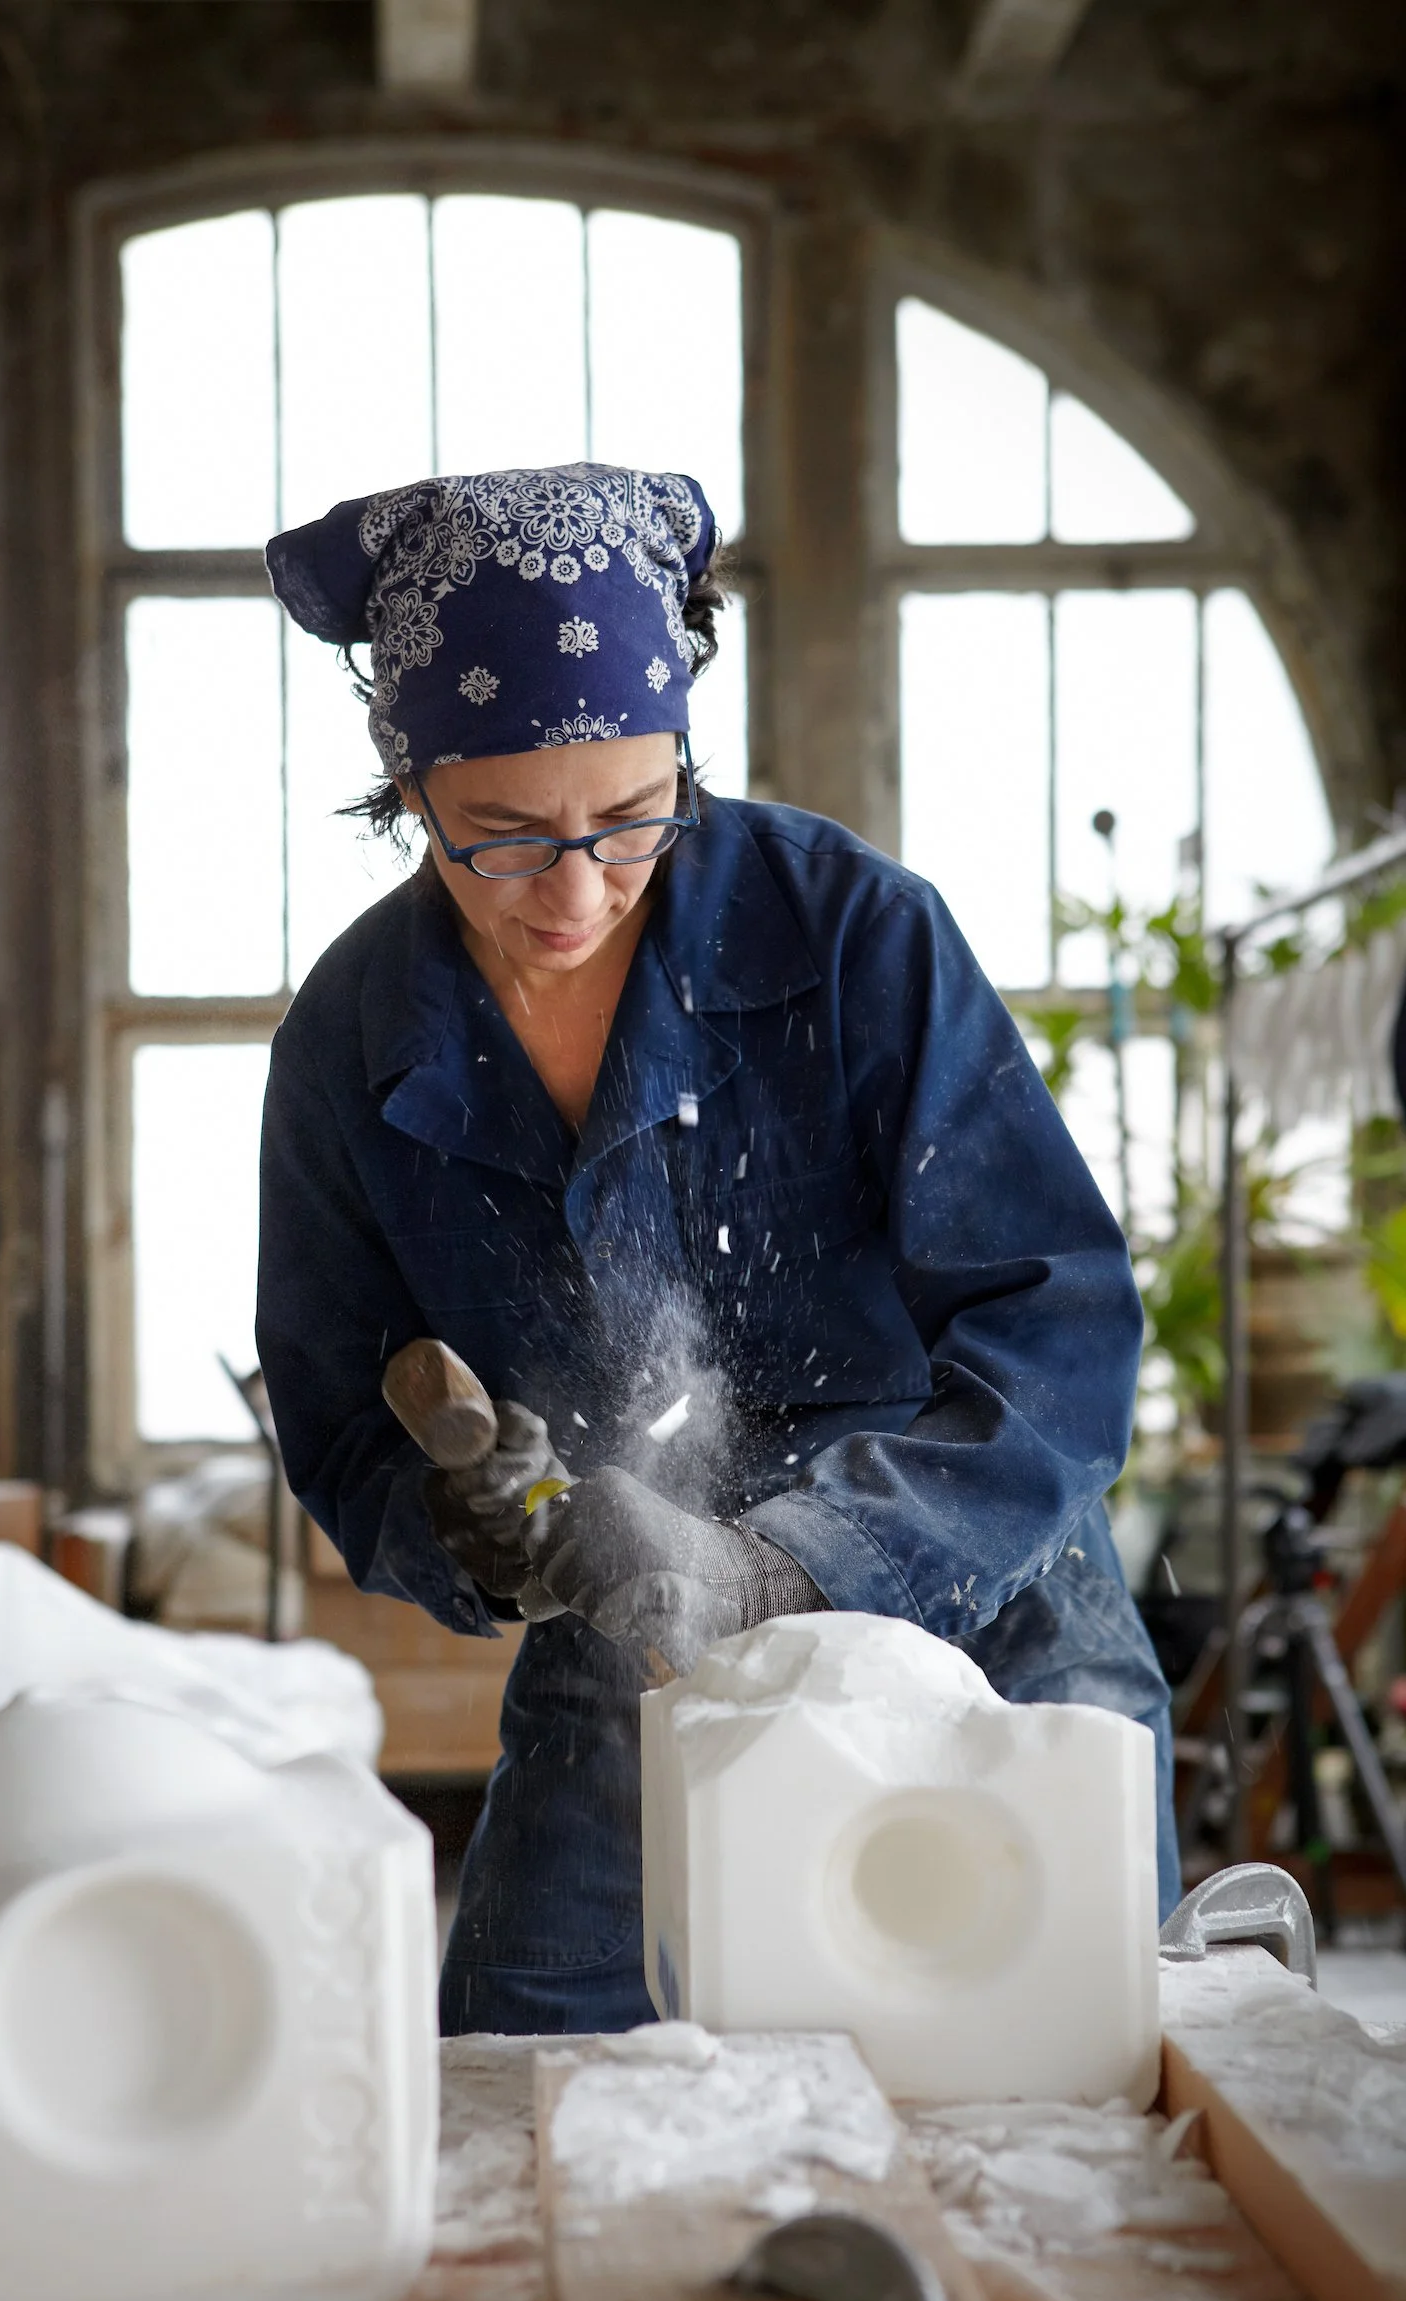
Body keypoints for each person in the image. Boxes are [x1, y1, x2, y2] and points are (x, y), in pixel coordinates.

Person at [258, 463, 1180, 2038]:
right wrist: (460, 1529)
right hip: (626, 1629)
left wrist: (785, 1568)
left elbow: (1061, 1335)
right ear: (409, 789)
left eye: (631, 820)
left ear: (684, 751)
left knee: (1071, 2069)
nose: (576, 890)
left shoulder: (856, 934)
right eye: (503, 836)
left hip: (977, 1595)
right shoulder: (351, 1038)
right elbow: (342, 1416)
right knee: (532, 2071)